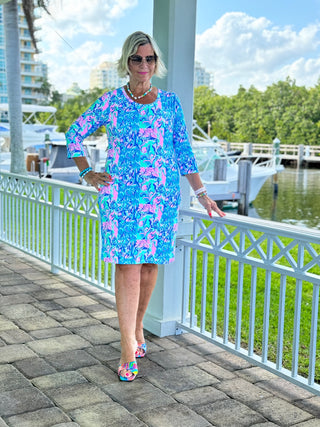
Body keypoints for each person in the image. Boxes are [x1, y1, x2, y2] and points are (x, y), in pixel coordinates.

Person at [66, 31, 226, 382]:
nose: (144, 65)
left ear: (156, 63)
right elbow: (73, 133)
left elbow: (183, 153)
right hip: (122, 199)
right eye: (137, 58)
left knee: (151, 267)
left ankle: (137, 328)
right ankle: (126, 347)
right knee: (128, 269)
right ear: (126, 62)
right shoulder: (111, 101)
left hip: (161, 199)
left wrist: (202, 194)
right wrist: (87, 173)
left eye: (150, 58)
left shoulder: (169, 103)